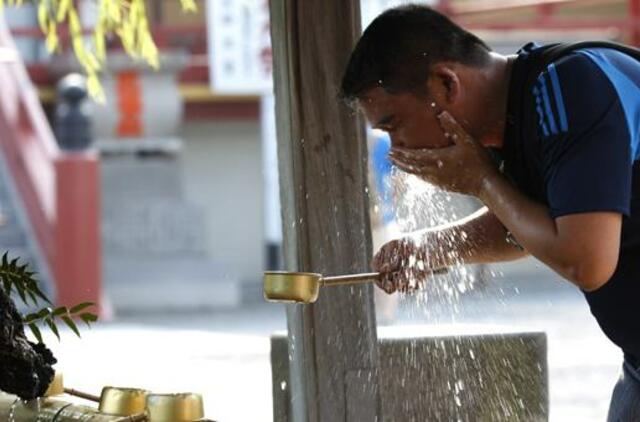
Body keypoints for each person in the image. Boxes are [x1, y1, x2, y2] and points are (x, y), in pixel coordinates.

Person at [341, 4, 640, 420]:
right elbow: (536, 224)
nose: (396, 149)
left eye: (394, 125)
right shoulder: (524, 111)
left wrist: (482, 181)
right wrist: (431, 248)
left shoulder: (569, 89)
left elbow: (585, 259)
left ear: (446, 83)